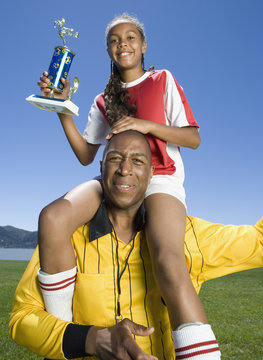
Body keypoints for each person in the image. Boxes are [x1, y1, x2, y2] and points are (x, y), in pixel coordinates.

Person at [37, 13, 213, 356]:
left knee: (167, 259)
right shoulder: (104, 100)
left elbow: (193, 139)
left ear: (143, 45)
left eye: (131, 38)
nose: (123, 44)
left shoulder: (162, 79)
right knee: (53, 217)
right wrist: (60, 108)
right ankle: (62, 335)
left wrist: (144, 125)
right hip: (114, 179)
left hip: (159, 177)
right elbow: (88, 156)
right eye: (115, 40)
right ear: (108, 49)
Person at [9, 131, 263, 360]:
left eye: (138, 161)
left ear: (152, 173)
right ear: (101, 168)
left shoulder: (188, 237)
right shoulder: (68, 237)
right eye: (115, 158)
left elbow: (259, 241)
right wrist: (93, 339)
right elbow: (22, 321)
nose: (125, 169)